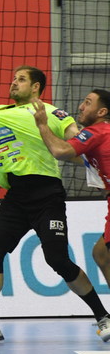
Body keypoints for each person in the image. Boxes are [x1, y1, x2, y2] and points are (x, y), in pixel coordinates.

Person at [0, 68, 110, 343]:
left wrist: (94, 164)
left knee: (57, 259)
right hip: (15, 196)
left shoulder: (53, 113)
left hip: (47, 194)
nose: (14, 82)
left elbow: (78, 142)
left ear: (36, 87)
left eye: (21, 79)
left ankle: (103, 316)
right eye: (13, 78)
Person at [32, 88, 110, 341]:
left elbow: (60, 151)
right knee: (101, 253)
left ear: (102, 111)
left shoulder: (96, 131)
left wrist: (42, 124)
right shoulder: (102, 133)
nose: (81, 107)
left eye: (88, 103)